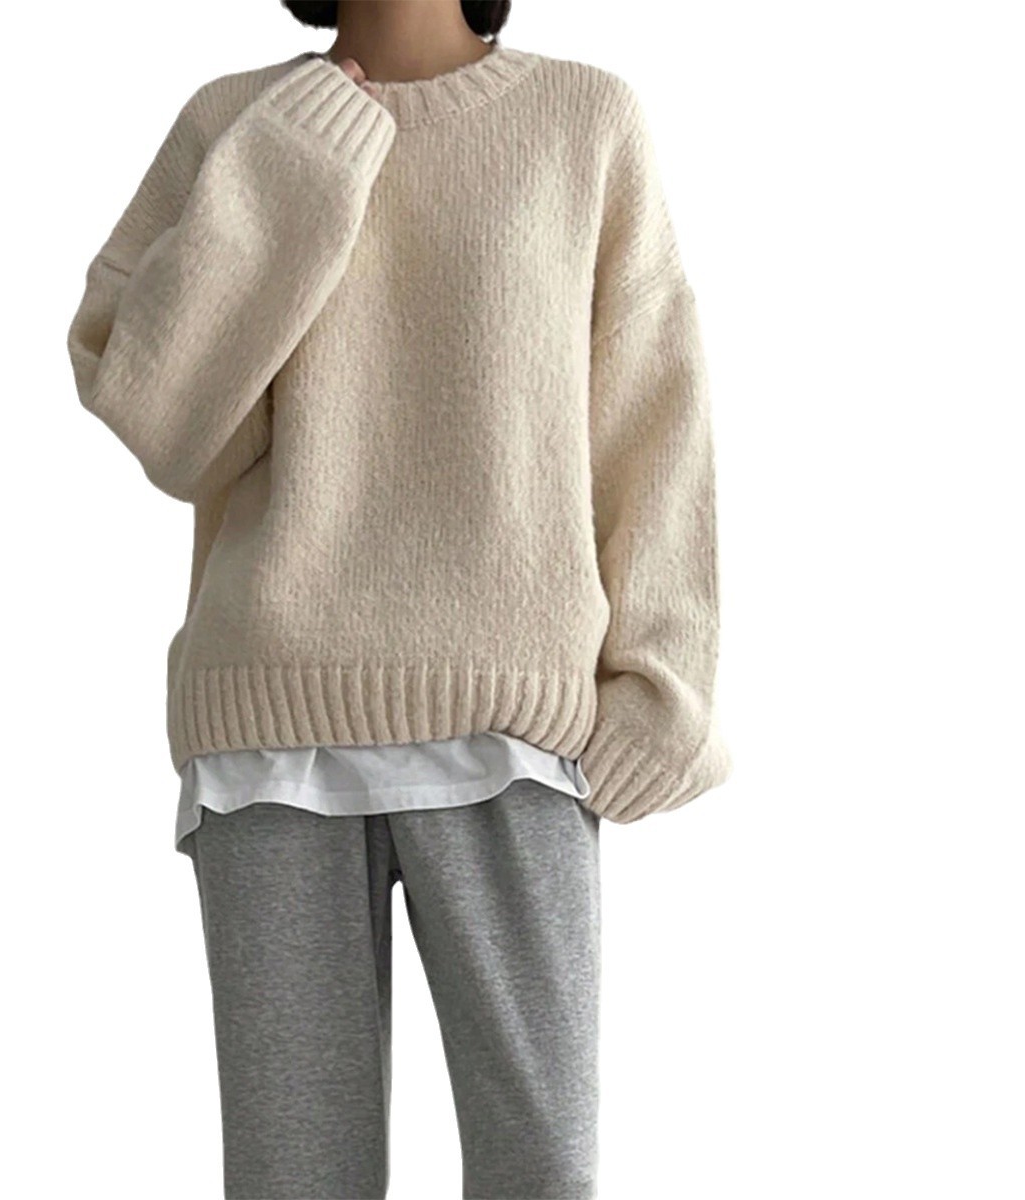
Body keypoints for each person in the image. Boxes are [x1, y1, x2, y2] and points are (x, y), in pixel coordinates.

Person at [65, 0, 731, 1195]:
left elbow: (652, 413)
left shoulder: (585, 120)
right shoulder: (238, 124)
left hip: (519, 735)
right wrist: (299, 157)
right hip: (270, 731)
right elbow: (163, 421)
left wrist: (665, 685)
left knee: (542, 1172)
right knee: (294, 1177)